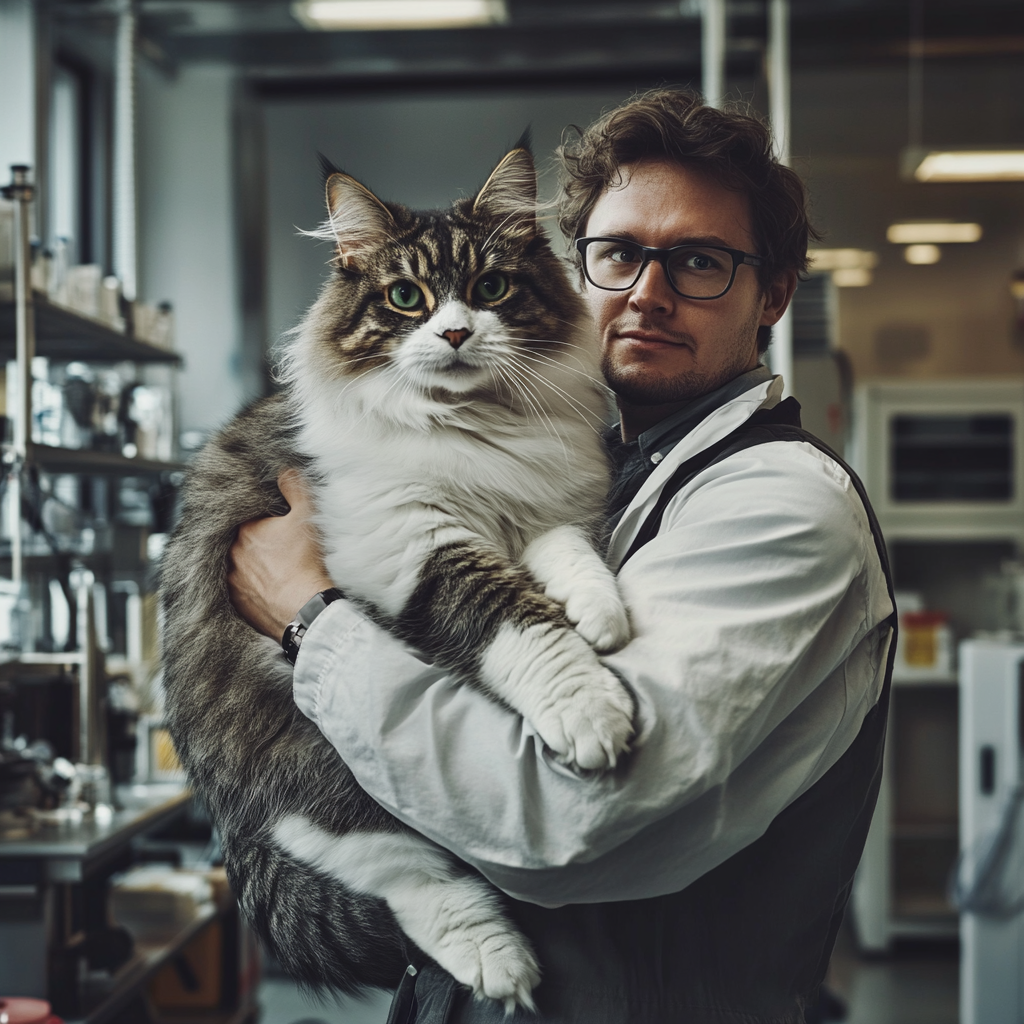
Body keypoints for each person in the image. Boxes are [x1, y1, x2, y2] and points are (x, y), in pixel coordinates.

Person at [227, 90, 895, 1024]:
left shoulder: (777, 503)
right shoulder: (621, 459)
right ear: (577, 269)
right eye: (619, 254)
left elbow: (563, 818)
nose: (647, 294)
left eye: (699, 262)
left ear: (774, 292)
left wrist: (310, 615)